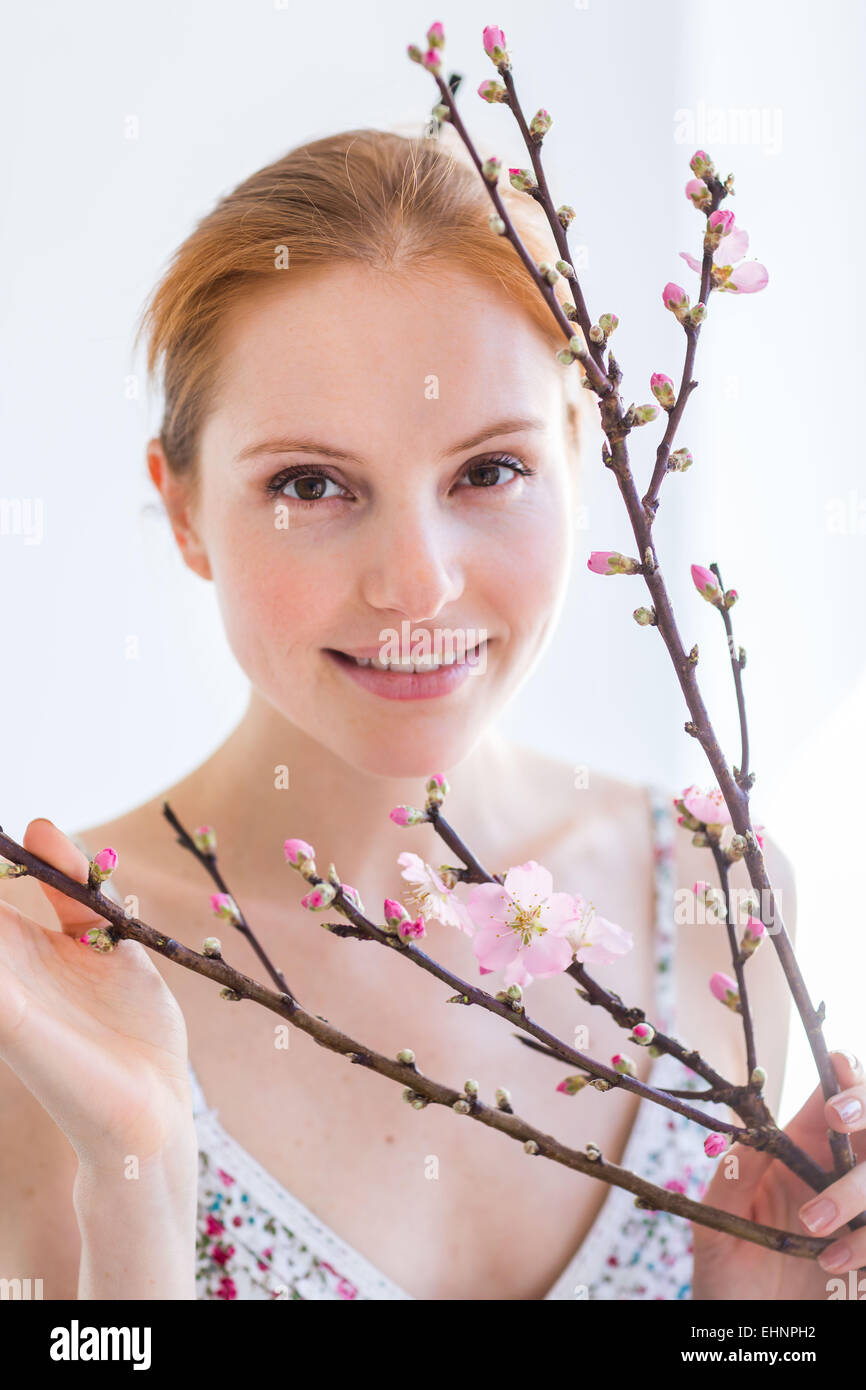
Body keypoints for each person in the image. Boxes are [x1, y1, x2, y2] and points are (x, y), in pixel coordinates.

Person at [0, 127, 861, 1302]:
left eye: (487, 471)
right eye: (310, 484)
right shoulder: (49, 976)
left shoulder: (719, 895)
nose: (417, 581)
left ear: (574, 455)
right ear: (186, 509)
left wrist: (761, 1319)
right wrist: (134, 1183)